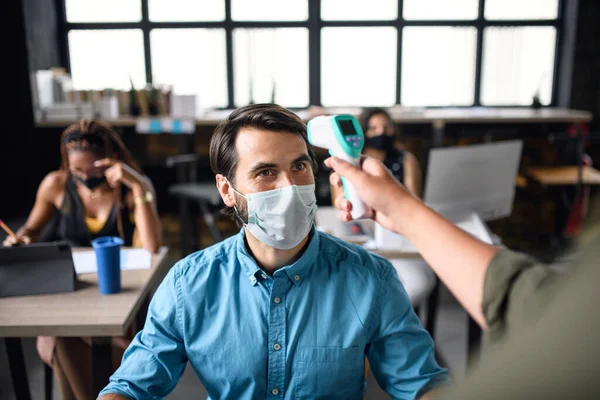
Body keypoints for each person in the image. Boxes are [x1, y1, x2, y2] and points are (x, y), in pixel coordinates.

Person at [98, 104, 448, 400]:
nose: (290, 187)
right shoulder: (189, 285)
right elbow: (131, 386)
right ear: (227, 190)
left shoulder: (371, 278)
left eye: (299, 166)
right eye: (266, 172)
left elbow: (422, 384)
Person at [326, 155, 600, 399]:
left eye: (300, 165)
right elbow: (525, 298)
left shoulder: (376, 277)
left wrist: (399, 208)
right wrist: (399, 210)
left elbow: (417, 380)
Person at [2, 120, 162, 400]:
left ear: (112, 160)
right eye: (77, 170)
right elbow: (30, 229)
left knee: (59, 337)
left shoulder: (128, 188)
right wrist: (22, 237)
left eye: (95, 168)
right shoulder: (56, 184)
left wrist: (138, 186)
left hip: (118, 297)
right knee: (60, 333)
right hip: (72, 291)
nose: (86, 176)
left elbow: (152, 246)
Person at [359, 107, 421, 196]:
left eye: (386, 127)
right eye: (373, 128)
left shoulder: (406, 159)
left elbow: (414, 198)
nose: (381, 132)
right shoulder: (354, 161)